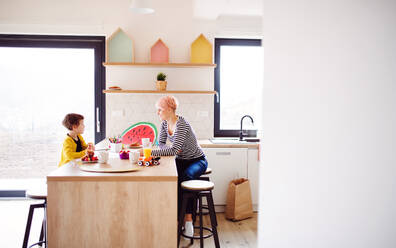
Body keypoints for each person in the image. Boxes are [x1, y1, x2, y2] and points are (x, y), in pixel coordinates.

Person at [144, 95, 208, 237]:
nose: (158, 113)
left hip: (197, 160)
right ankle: (175, 218)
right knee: (172, 180)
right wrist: (167, 149)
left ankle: (188, 220)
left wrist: (150, 152)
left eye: (160, 110)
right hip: (180, 160)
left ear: (169, 109)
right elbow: (161, 144)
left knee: (186, 178)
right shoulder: (164, 124)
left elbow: (172, 150)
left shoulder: (182, 124)